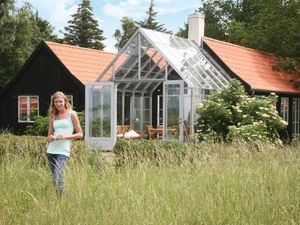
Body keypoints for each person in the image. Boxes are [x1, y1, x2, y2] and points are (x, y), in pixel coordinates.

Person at [46, 91, 83, 195]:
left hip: (63, 151)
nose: (58, 104)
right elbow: (49, 135)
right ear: (53, 103)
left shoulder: (72, 114)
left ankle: (63, 197)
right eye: (56, 102)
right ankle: (61, 200)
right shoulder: (53, 115)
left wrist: (66, 136)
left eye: (60, 101)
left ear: (65, 101)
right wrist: (50, 138)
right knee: (58, 179)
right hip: (51, 150)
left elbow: (80, 134)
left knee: (56, 179)